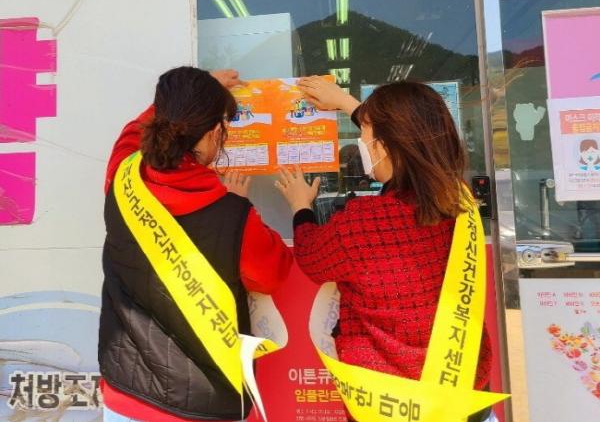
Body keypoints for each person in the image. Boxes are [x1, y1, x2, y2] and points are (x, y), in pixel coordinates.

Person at [275, 77, 494, 422]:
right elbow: (407, 135)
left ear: (384, 145)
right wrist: (346, 103)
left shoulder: (366, 220)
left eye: (366, 134)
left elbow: (313, 258)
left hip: (391, 401)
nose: (362, 142)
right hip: (463, 391)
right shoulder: (459, 201)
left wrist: (300, 207)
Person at [99, 67, 293, 422]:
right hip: (202, 406)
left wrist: (197, 91)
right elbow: (272, 274)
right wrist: (241, 204)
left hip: (125, 393)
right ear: (216, 132)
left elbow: (133, 131)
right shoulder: (232, 215)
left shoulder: (123, 175)